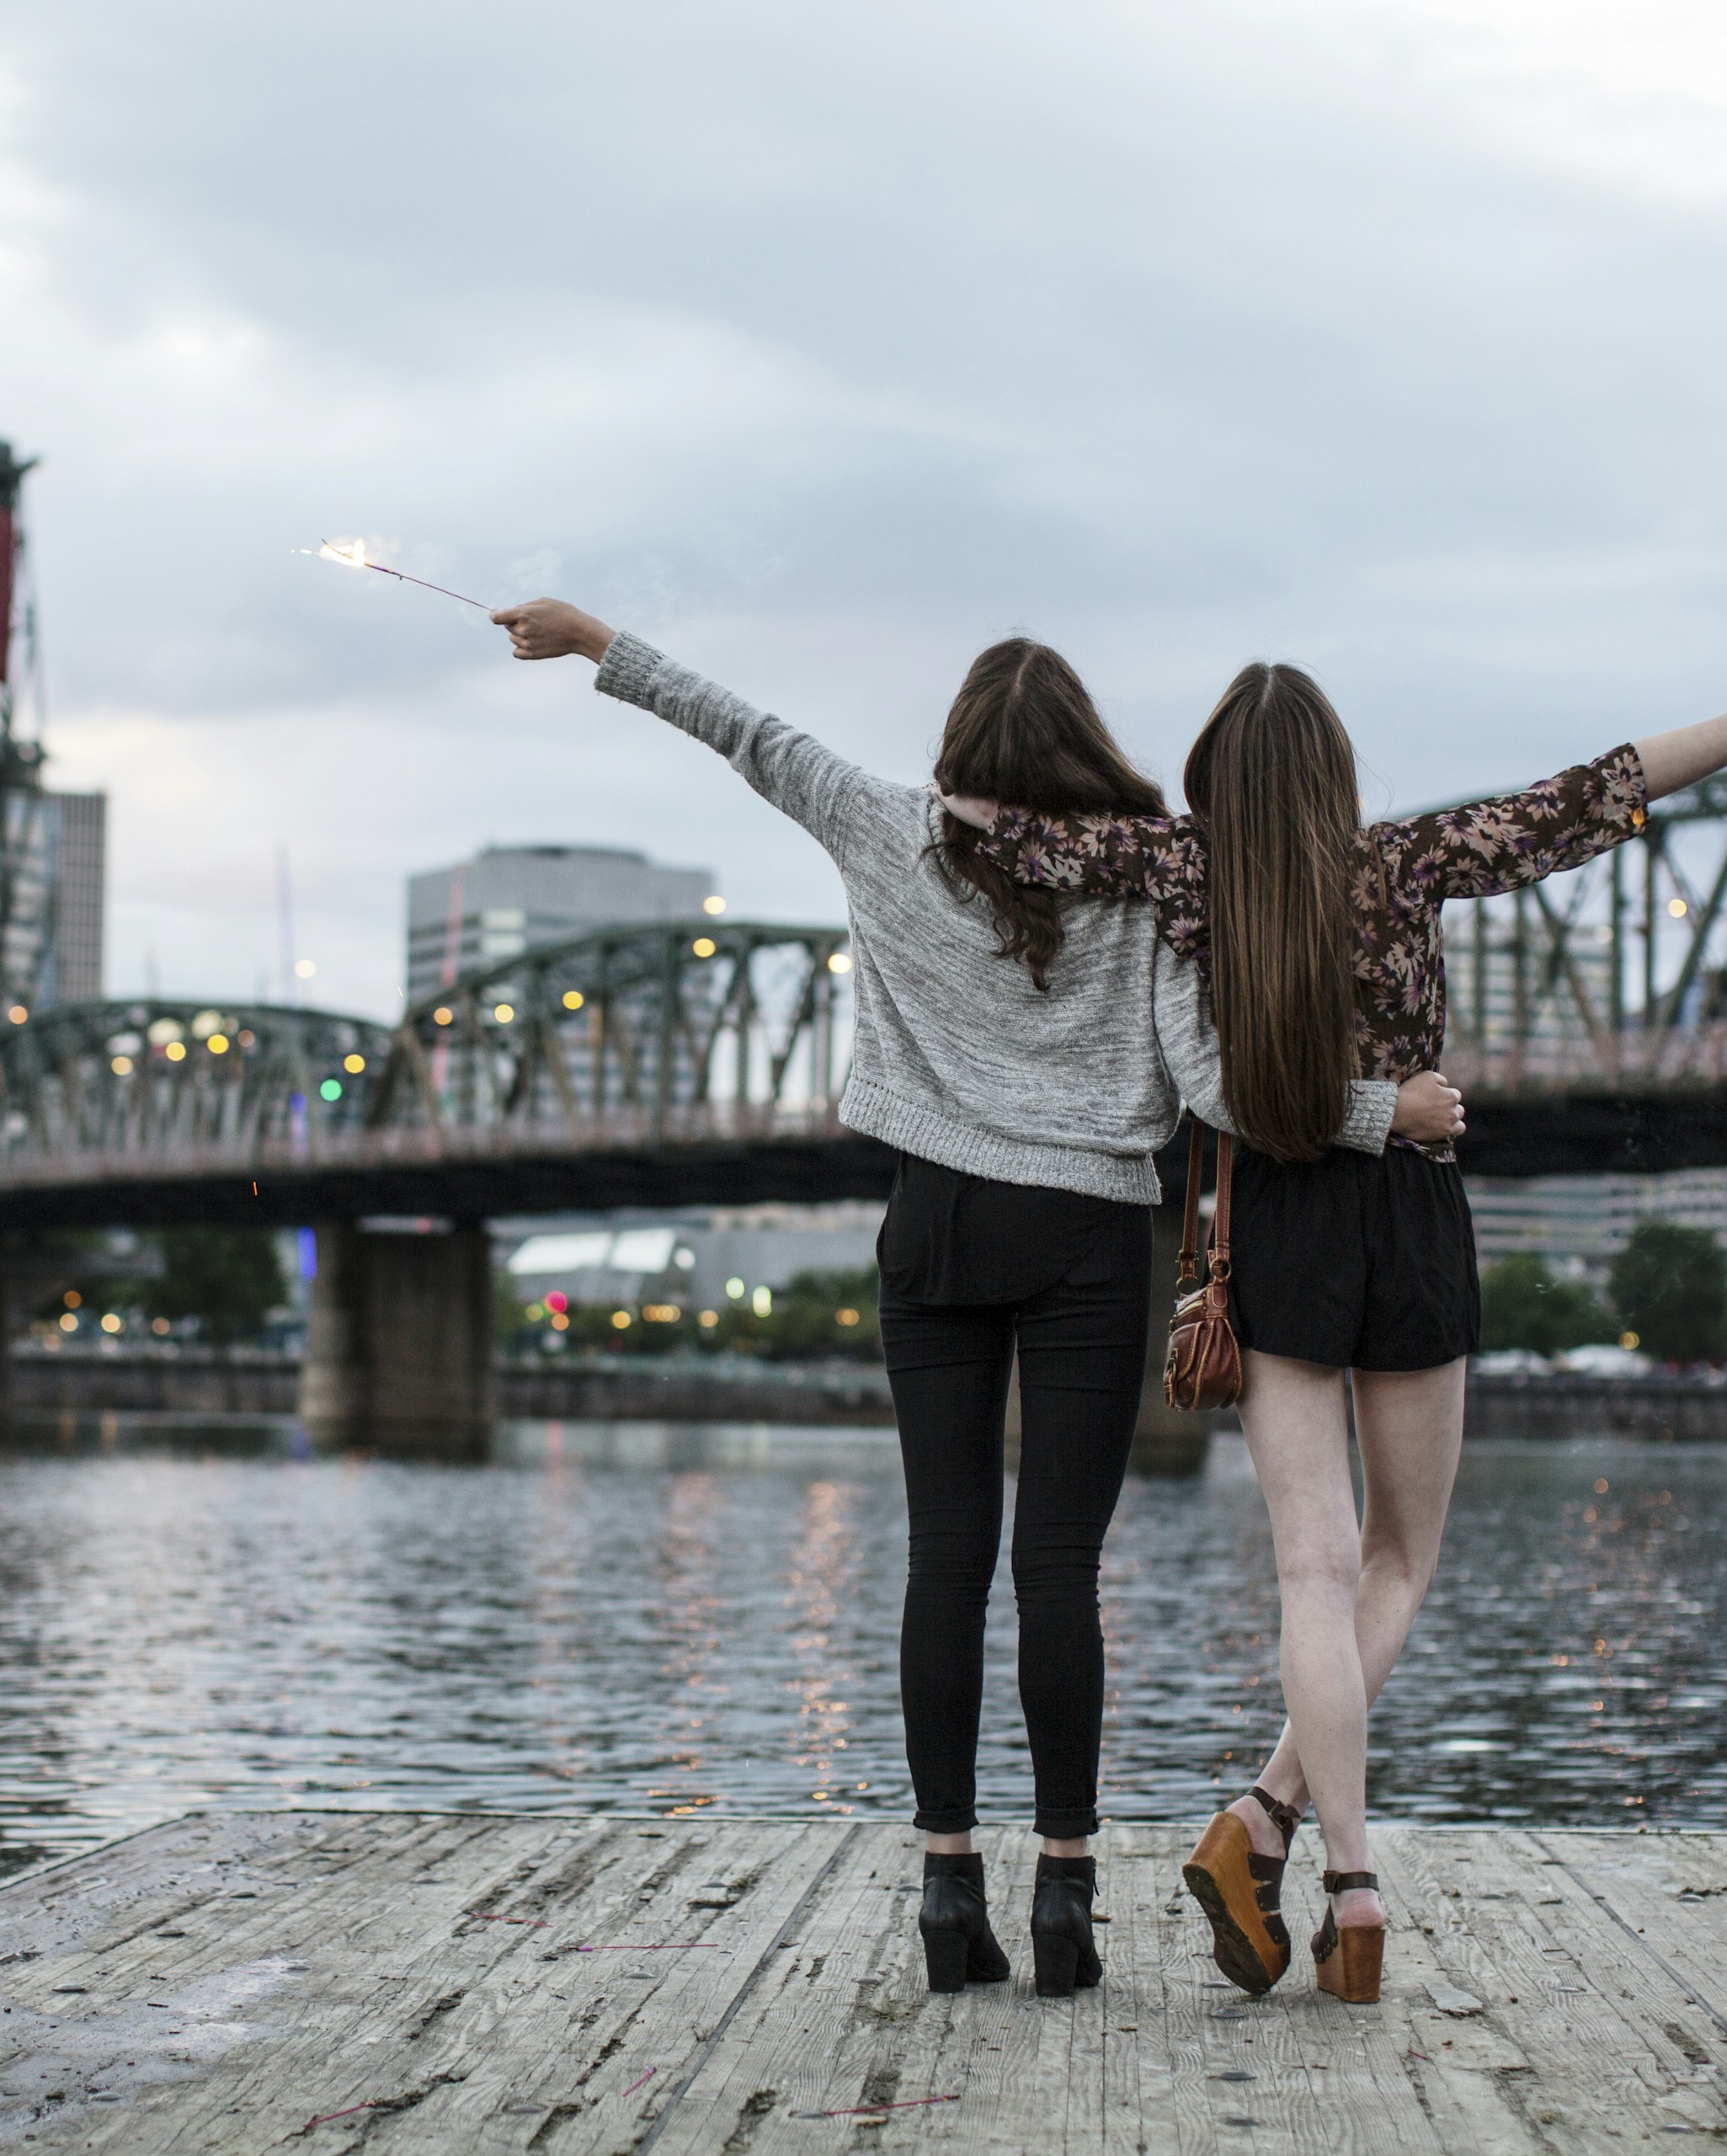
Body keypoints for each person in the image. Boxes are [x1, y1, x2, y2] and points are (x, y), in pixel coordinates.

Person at [490, 596, 1458, 1999]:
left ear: (955, 746)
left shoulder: (884, 826)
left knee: (946, 1556)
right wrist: (1382, 1113)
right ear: (1086, 755)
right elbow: (1212, 1091)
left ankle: (950, 1888)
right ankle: (1067, 1892)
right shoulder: (1141, 880)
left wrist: (596, 643)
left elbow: (737, 727)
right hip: (1086, 1235)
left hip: (933, 1224)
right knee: (1060, 1569)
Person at [950, 652, 1727, 2004]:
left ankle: (1322, 1857)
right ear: (1334, 775)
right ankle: (1303, 1852)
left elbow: (997, 830)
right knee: (1397, 1561)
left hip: (1277, 1225)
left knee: (1311, 1573)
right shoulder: (1407, 859)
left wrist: (930, 800)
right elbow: (1597, 793)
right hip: (1412, 1215)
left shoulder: (1180, 873)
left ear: (1216, 780)